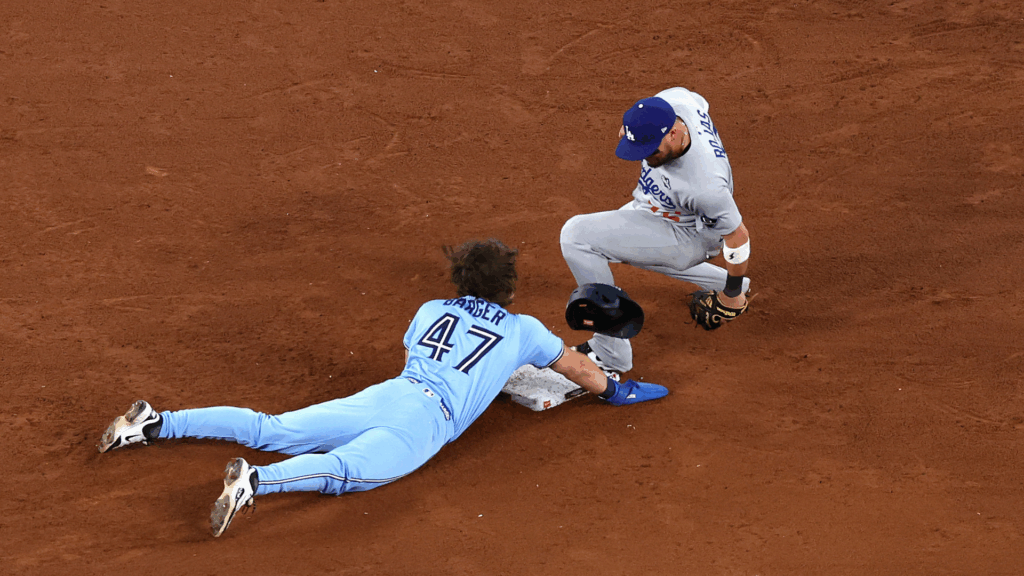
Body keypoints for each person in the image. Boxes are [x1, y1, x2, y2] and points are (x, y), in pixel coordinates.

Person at [97, 239, 668, 537]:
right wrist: (617, 392)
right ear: (508, 287)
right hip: (424, 422)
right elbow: (578, 369)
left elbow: (425, 354)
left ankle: (155, 422)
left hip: (389, 393)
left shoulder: (430, 309)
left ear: (460, 280)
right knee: (344, 471)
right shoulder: (524, 330)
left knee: (273, 428)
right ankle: (256, 483)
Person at [559, 87, 753, 380]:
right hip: (655, 208)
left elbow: (738, 237)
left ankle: (611, 353)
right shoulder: (675, 101)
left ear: (673, 134)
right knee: (616, 244)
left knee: (577, 238)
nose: (645, 157)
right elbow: (696, 101)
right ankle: (720, 282)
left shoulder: (705, 187)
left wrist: (732, 296)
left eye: (651, 150)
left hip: (689, 236)